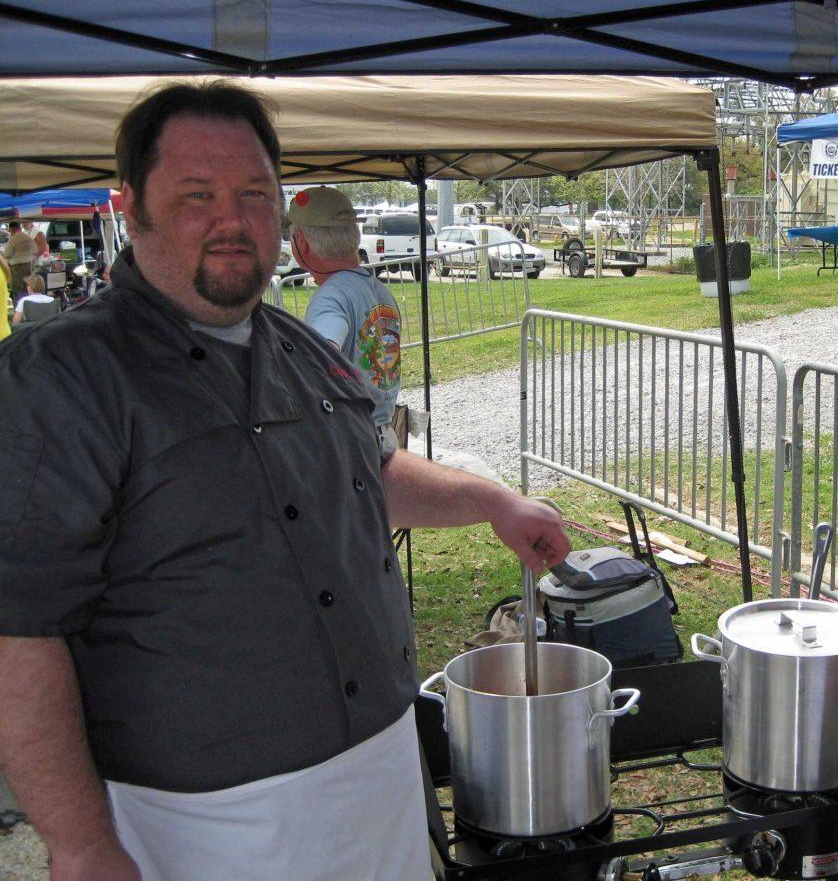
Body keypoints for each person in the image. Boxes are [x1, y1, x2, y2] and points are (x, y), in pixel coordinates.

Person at [0, 80, 571, 880]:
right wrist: (81, 842)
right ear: (132, 208)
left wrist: (492, 502)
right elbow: (19, 631)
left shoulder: (299, 347)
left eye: (255, 194)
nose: (232, 220)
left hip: (379, 784)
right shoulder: (61, 378)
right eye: (197, 194)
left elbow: (364, 470)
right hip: (204, 821)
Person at [287, 186, 403, 441]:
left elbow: (323, 357)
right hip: (381, 433)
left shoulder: (331, 297)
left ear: (301, 243)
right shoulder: (377, 289)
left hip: (350, 440)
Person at [2, 220, 35, 305]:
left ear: (12, 229)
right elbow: (35, 249)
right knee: (27, 288)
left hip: (17, 268)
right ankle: (27, 307)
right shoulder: (27, 237)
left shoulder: (13, 239)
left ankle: (20, 308)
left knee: (18, 289)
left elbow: (7, 254)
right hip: (28, 266)